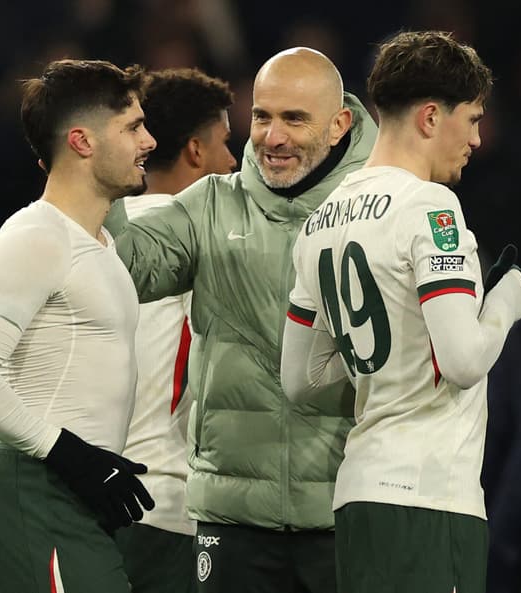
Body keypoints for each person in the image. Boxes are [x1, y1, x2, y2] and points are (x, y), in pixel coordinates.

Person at [104, 47, 376, 592]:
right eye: (262, 116)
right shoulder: (209, 204)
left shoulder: (379, 210)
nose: (272, 137)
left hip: (346, 510)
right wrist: (105, 174)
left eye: (294, 119)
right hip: (231, 520)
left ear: (340, 123)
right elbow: (125, 270)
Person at [279, 31, 521, 593]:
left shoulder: (320, 220)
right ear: (431, 117)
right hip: (430, 497)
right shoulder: (431, 206)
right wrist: (507, 302)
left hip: (359, 496)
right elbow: (464, 362)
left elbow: (299, 381)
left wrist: (387, 361)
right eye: (472, 119)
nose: (478, 139)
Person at [0, 59, 157, 593]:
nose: (149, 140)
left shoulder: (101, 245)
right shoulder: (35, 235)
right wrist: (71, 456)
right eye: (132, 127)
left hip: (77, 494)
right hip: (38, 488)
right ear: (82, 142)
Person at [114, 67, 236, 593]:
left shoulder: (89, 236)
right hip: (166, 504)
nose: (233, 162)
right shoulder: (215, 246)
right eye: (226, 144)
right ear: (195, 151)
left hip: (87, 500)